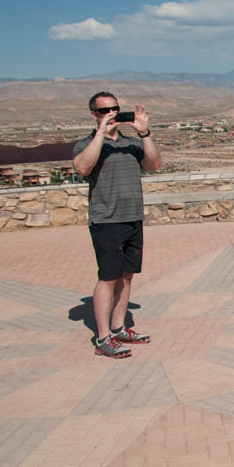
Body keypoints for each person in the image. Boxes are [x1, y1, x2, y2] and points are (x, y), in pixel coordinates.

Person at [72, 92, 161, 358]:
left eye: (115, 109)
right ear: (94, 115)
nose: (111, 113)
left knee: (126, 275)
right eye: (104, 110)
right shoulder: (86, 143)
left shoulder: (132, 144)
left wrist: (145, 134)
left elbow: (154, 165)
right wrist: (101, 133)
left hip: (132, 217)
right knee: (108, 277)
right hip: (106, 219)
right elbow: (82, 168)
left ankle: (119, 326)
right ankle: (102, 338)